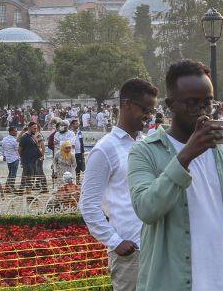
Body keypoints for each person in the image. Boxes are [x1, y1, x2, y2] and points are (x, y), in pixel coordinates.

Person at [128, 60, 223, 291]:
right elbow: (146, 209)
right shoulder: (145, 151)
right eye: (191, 103)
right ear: (170, 104)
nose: (202, 111)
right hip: (173, 282)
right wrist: (186, 156)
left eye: (207, 102)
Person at [80, 78, 158, 291]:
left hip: (157, 248)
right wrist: (115, 242)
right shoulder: (105, 149)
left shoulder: (145, 145)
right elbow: (88, 205)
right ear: (127, 104)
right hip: (130, 252)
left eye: (152, 110)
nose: (149, 116)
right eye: (145, 109)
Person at [19, 122, 42, 190]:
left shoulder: (34, 136)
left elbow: (38, 146)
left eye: (36, 128)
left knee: (31, 177)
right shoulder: (24, 137)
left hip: (34, 160)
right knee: (28, 177)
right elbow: (19, 150)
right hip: (27, 161)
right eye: (34, 128)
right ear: (29, 128)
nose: (35, 130)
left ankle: (26, 189)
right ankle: (27, 191)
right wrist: (23, 158)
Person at [1, 126, 20, 191]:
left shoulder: (4, 139)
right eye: (15, 131)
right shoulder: (15, 140)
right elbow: (17, 150)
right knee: (13, 174)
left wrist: (4, 156)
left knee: (10, 173)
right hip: (14, 158)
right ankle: (11, 186)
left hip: (8, 159)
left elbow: (3, 149)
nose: (16, 132)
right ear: (11, 131)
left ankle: (7, 186)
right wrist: (20, 158)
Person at [70, 119, 86, 184]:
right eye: (75, 124)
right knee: (72, 166)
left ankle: (77, 181)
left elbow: (81, 142)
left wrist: (82, 152)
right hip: (71, 152)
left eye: (77, 124)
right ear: (72, 125)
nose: (77, 125)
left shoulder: (79, 132)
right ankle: (71, 181)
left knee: (78, 167)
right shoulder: (70, 133)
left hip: (79, 152)